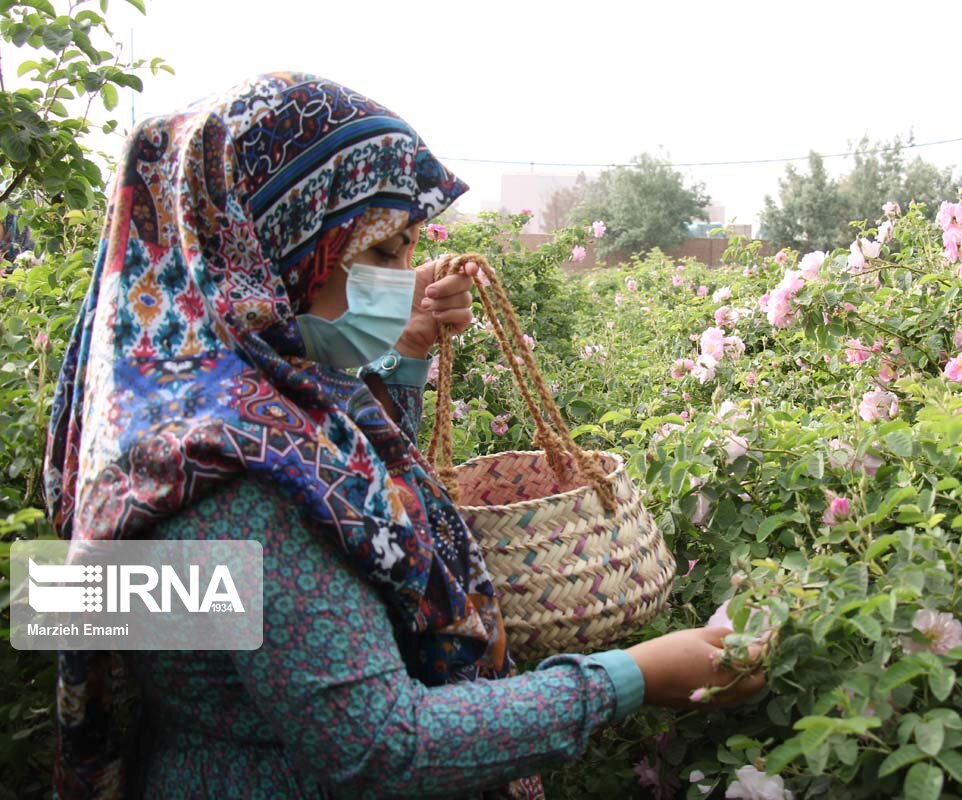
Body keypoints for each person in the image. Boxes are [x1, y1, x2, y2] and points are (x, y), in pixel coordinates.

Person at [44, 72, 764, 799]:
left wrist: (408, 345)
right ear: (283, 248)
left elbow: (357, 512)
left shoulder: (171, 418)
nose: (403, 277)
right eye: (384, 252)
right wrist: (633, 677)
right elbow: (380, 746)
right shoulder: (249, 486)